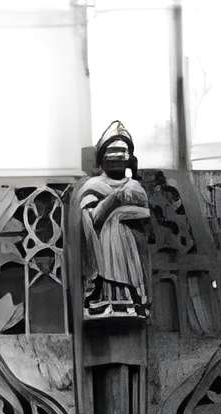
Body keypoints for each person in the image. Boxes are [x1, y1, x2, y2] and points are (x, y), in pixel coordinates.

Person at [76, 120, 150, 329]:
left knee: (129, 272)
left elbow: (145, 215)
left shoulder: (134, 186)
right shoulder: (93, 185)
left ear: (129, 157)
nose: (118, 157)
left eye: (123, 152)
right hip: (103, 248)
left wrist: (120, 213)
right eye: (112, 152)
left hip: (130, 247)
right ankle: (102, 300)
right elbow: (92, 220)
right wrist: (114, 200)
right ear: (102, 157)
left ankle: (133, 301)